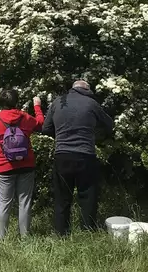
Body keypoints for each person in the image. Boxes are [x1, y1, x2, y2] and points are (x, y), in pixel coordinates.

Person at [43, 80, 114, 236]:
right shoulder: (91, 103)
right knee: (88, 196)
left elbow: (46, 128)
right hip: (85, 155)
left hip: (62, 155)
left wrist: (61, 134)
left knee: (62, 198)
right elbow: (109, 124)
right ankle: (87, 232)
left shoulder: (57, 103)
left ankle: (61, 234)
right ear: (86, 89)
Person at [0, 90, 44, 239]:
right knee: (25, 201)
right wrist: (37, 106)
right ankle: (25, 237)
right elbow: (41, 124)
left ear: (0, 103)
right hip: (26, 165)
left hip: (6, 167)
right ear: (16, 102)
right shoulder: (25, 117)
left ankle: (0, 237)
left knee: (4, 203)